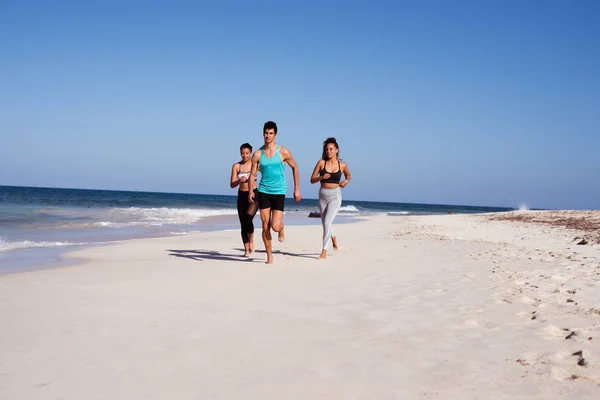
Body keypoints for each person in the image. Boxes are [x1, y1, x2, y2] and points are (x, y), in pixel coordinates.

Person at [249, 121, 301, 264]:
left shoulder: (283, 151)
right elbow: (252, 174)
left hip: (278, 192)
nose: (268, 135)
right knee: (265, 224)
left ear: (275, 135)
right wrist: (250, 191)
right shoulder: (258, 154)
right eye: (266, 133)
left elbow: (295, 167)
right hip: (264, 190)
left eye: (271, 133)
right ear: (263, 133)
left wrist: (296, 189)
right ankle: (269, 256)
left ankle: (282, 228)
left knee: (275, 226)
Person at [310, 137, 351, 260]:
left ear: (336, 150)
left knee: (327, 222)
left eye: (331, 149)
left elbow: (348, 175)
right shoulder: (321, 163)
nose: (328, 151)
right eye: (327, 149)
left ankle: (324, 252)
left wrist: (346, 181)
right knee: (325, 223)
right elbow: (312, 180)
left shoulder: (342, 165)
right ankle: (333, 237)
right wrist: (321, 178)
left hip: (335, 196)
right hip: (322, 195)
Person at [230, 143, 259, 256]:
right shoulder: (236, 166)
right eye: (242, 153)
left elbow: (267, 170)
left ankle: (251, 240)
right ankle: (246, 250)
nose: (245, 156)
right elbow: (232, 184)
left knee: (248, 217)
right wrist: (239, 181)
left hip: (253, 194)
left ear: (250, 153)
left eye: (247, 153)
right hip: (241, 195)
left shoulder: (255, 164)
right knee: (243, 223)